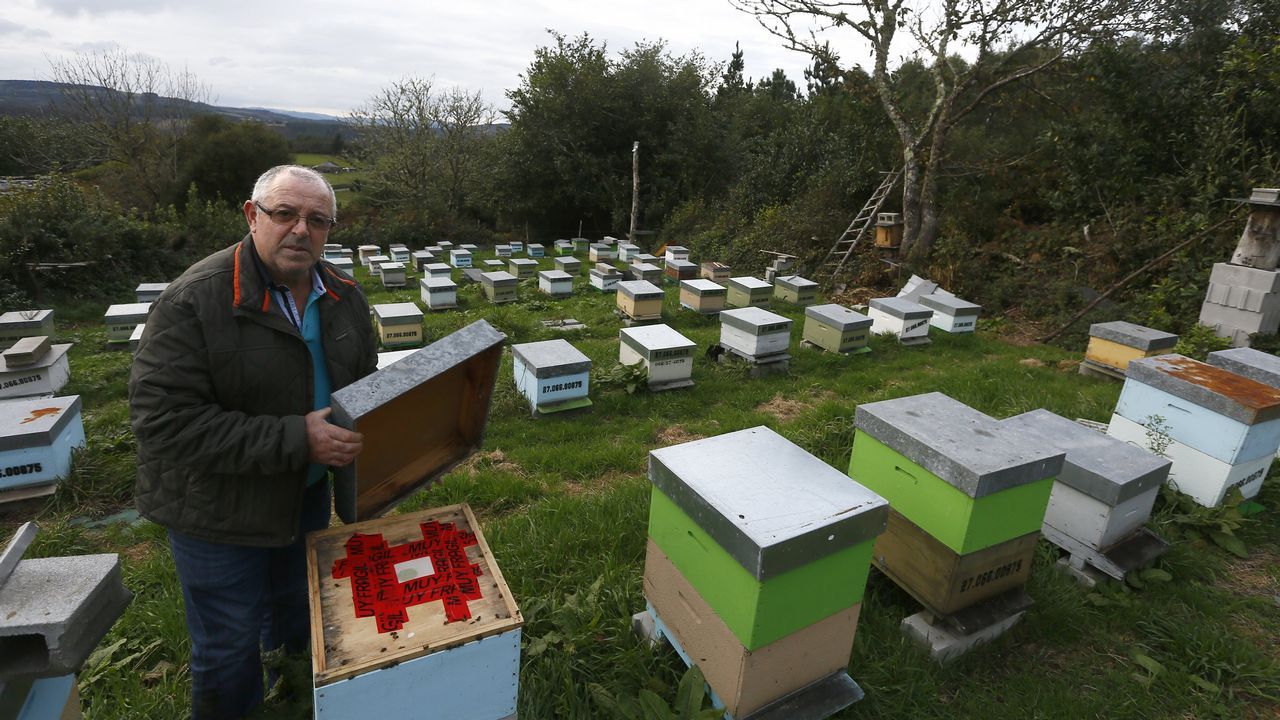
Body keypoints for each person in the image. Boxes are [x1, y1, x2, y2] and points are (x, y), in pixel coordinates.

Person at [129, 164, 377, 719]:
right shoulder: (195, 299)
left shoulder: (342, 293)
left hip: (305, 494)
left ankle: (294, 703)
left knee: (298, 620)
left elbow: (365, 377)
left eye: (317, 220)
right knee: (227, 649)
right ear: (252, 216)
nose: (300, 230)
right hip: (218, 508)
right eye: (284, 214)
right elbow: (161, 420)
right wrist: (298, 437)